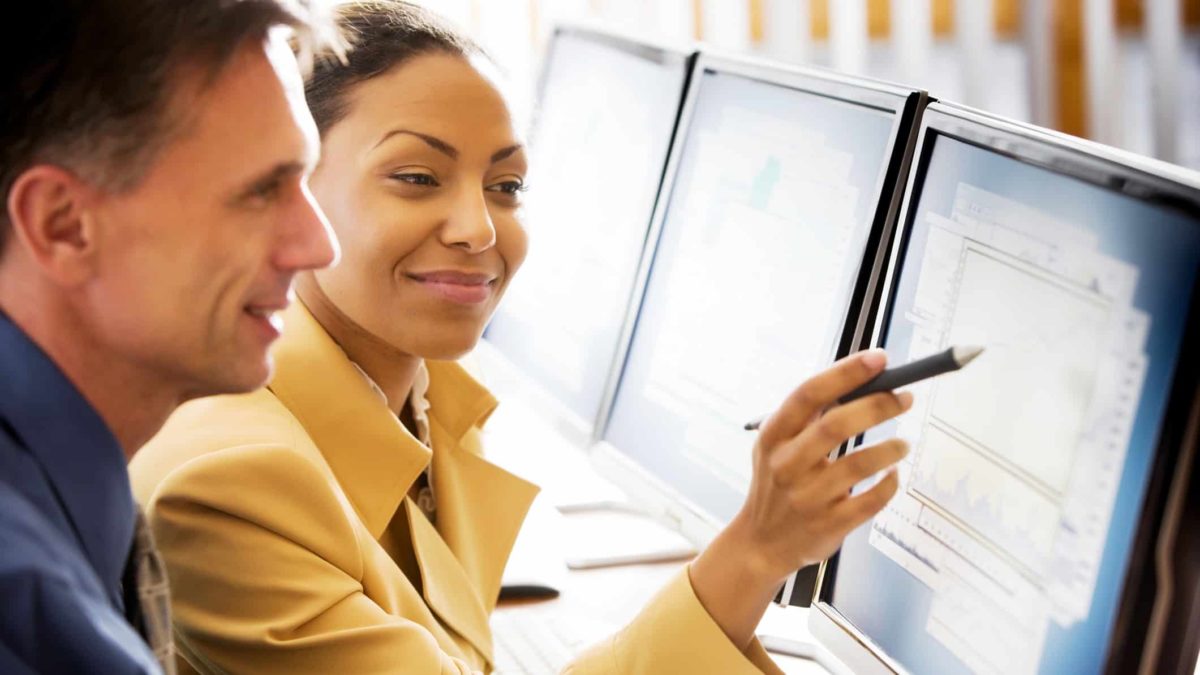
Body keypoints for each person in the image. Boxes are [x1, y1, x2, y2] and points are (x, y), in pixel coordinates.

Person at [130, 2, 912, 673]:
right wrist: (754, 549)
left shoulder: (413, 398)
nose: (478, 229)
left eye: (505, 186)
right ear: (292, 186)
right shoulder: (228, 478)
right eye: (416, 176)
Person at [0, 1, 338, 672]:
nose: (319, 244)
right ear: (63, 225)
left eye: (304, 178)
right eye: (261, 191)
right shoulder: (40, 628)